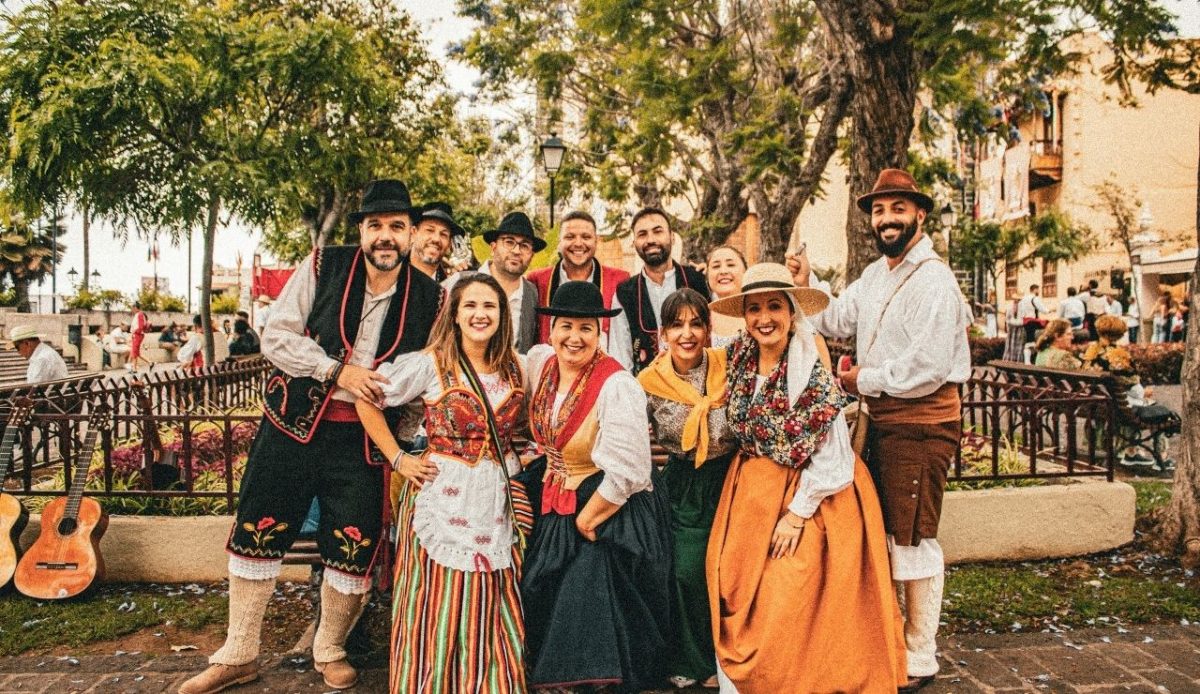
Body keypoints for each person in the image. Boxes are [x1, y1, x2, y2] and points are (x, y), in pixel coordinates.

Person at [178, 179, 442, 694]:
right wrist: (334, 371)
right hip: (292, 425)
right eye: (374, 227)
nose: (384, 237)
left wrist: (404, 433)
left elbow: (424, 372)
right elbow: (277, 334)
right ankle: (238, 652)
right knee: (259, 527)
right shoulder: (324, 264)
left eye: (395, 227)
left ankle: (330, 648)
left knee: (353, 542)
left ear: (411, 234)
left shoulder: (432, 297)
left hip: (365, 441)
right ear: (361, 231)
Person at [790, 168, 972, 692]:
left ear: (919, 213)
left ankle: (920, 654)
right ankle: (893, 640)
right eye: (878, 211)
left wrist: (859, 378)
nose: (886, 219)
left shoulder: (935, 279)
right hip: (882, 421)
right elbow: (835, 319)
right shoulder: (876, 275)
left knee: (912, 535)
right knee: (886, 531)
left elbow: (927, 368)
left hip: (919, 423)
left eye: (897, 209)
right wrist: (803, 288)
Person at [706, 263, 906, 692]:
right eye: (755, 308)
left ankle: (791, 679)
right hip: (750, 491)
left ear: (792, 312)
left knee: (788, 589)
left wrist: (796, 514)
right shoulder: (739, 355)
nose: (764, 318)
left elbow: (833, 457)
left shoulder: (808, 368)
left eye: (774, 307)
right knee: (733, 584)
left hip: (812, 493)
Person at [355, 274, 530, 694]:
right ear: (454, 314)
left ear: (502, 315)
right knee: (437, 599)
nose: (480, 314)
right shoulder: (431, 363)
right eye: (470, 305)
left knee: (489, 595)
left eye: (489, 306)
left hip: (493, 496)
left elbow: (518, 428)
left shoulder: (515, 365)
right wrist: (400, 460)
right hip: (442, 492)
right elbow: (366, 398)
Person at [520, 281, 673, 692]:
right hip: (560, 491)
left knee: (589, 577)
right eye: (566, 326)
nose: (574, 337)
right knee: (539, 579)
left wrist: (588, 519)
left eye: (586, 328)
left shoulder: (616, 384)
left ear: (599, 333)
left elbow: (630, 470)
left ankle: (592, 678)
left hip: (610, 501)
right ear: (550, 330)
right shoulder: (540, 365)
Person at [637, 288, 735, 689]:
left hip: (732, 479)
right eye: (677, 325)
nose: (687, 333)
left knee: (731, 572)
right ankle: (694, 660)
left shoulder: (728, 365)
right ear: (663, 333)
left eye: (696, 323)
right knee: (687, 571)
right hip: (683, 486)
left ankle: (732, 658)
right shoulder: (648, 381)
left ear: (709, 328)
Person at [610, 207, 709, 374]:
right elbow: (620, 355)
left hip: (698, 387)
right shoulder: (625, 293)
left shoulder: (696, 281)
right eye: (642, 234)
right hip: (645, 390)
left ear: (672, 237)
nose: (650, 240)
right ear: (634, 243)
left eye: (658, 231)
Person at [1083, 315, 1177, 468]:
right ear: (1119, 334)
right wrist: (1144, 392)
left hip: (1100, 402)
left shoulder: (1091, 352)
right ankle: (1161, 457)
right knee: (1159, 411)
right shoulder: (1117, 355)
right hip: (1120, 405)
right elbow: (1132, 383)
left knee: (1130, 405)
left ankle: (1132, 451)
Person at [443, 211, 544, 353]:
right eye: (509, 242)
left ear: (531, 255)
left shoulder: (531, 293)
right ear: (493, 247)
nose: (516, 250)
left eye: (524, 245)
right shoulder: (459, 282)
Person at [526, 210, 629, 346]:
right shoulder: (538, 280)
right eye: (570, 237)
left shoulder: (619, 280)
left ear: (596, 241)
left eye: (586, 237)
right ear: (559, 242)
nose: (578, 243)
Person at [705, 245, 748, 348]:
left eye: (730, 265)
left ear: (745, 272)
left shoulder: (758, 312)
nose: (723, 271)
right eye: (716, 266)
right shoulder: (701, 317)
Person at [410, 201, 464, 282]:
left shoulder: (450, 288)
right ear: (413, 233)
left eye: (443, 234)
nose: (436, 239)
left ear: (449, 244)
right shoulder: (390, 277)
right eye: (429, 230)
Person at [130, 302, 151, 371]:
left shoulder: (140, 314)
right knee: (136, 352)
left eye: (132, 308)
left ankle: (134, 368)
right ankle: (150, 363)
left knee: (134, 351)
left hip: (137, 335)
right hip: (136, 335)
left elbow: (140, 326)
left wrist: (135, 332)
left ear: (135, 307)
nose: (131, 309)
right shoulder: (138, 315)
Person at [1003, 296, 1025, 362]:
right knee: (1011, 345)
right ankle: (1010, 360)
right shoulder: (1010, 307)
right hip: (1012, 329)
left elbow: (1023, 318)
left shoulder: (1022, 308)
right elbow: (1007, 318)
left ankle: (1017, 360)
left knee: (1019, 345)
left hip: (1019, 329)